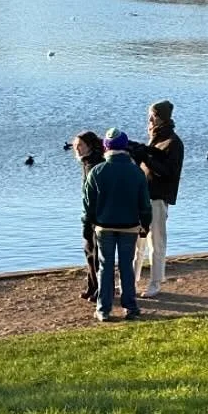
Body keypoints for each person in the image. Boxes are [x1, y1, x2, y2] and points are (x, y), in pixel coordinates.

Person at [82, 128, 153, 321]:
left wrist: (87, 228)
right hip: (129, 226)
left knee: (105, 267)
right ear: (125, 147)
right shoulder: (136, 172)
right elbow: (145, 204)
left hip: (104, 226)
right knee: (126, 266)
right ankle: (130, 307)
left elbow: (88, 205)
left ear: (106, 147)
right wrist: (145, 226)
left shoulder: (97, 171)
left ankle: (103, 309)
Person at [129, 99, 185, 295]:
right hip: (142, 197)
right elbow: (147, 162)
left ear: (162, 118)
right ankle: (131, 281)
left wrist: (145, 157)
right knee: (137, 242)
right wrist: (137, 151)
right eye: (150, 116)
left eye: (153, 116)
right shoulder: (155, 139)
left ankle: (155, 283)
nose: (150, 120)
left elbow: (167, 172)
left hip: (158, 199)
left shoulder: (173, 143)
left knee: (156, 242)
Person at [71, 130, 105, 301]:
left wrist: (88, 220)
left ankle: (100, 288)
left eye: (80, 145)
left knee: (96, 252)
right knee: (90, 251)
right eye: (75, 146)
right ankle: (93, 286)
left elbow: (94, 196)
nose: (77, 149)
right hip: (92, 213)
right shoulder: (86, 162)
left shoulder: (94, 164)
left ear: (90, 146)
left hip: (97, 216)